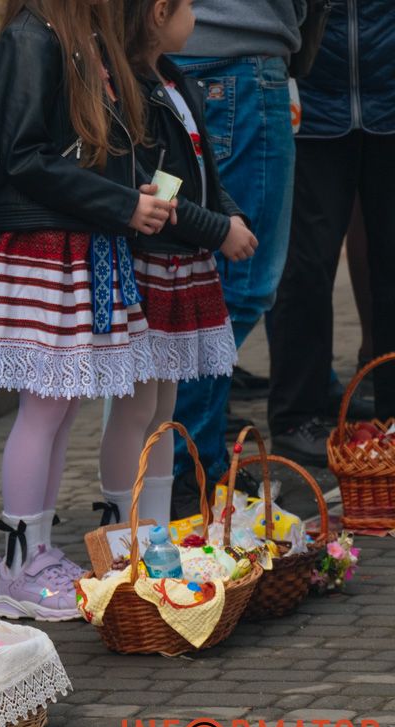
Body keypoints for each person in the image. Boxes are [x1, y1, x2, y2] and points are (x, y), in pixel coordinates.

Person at [0, 0, 175, 620]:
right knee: (46, 405)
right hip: (42, 245)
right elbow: (26, 156)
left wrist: (122, 200)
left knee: (58, 408)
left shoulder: (72, 35)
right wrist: (117, 204)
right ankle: (18, 567)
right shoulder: (33, 39)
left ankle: (32, 554)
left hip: (74, 240)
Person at [97, 0, 253, 527]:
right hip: (150, 266)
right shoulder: (131, 89)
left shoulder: (173, 78)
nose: (195, 14)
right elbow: (154, 193)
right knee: (138, 408)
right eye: (188, 5)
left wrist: (228, 215)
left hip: (181, 262)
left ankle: (156, 530)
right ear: (159, 12)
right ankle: (123, 532)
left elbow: (206, 169)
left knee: (163, 412)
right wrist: (219, 230)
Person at [167, 0, 302, 510]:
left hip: (196, 53)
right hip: (236, 56)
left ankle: (187, 462)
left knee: (199, 280)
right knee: (242, 286)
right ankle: (189, 469)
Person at [267, 0, 395, 466]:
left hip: (388, 99)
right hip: (314, 107)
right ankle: (297, 414)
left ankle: (391, 410)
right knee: (305, 265)